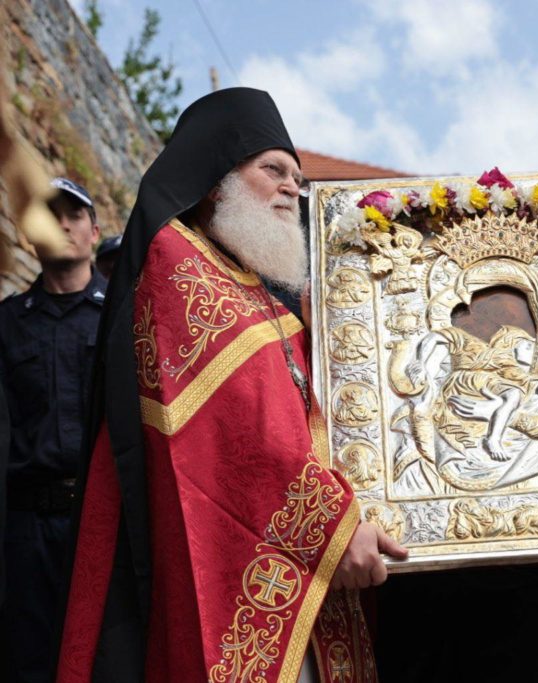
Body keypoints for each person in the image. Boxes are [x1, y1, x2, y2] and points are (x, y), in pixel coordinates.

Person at [56, 88, 406, 682]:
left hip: (303, 569)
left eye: (297, 177)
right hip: (235, 565)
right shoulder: (175, 262)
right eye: (273, 170)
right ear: (216, 181)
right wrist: (332, 525)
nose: (292, 188)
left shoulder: (254, 285)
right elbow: (240, 427)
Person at [0, 177, 104, 682]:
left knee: (106, 658)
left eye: (75, 215)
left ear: (94, 231)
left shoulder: (123, 316)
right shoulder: (7, 324)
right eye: (50, 215)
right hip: (26, 531)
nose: (63, 225)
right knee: (28, 662)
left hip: (103, 521)